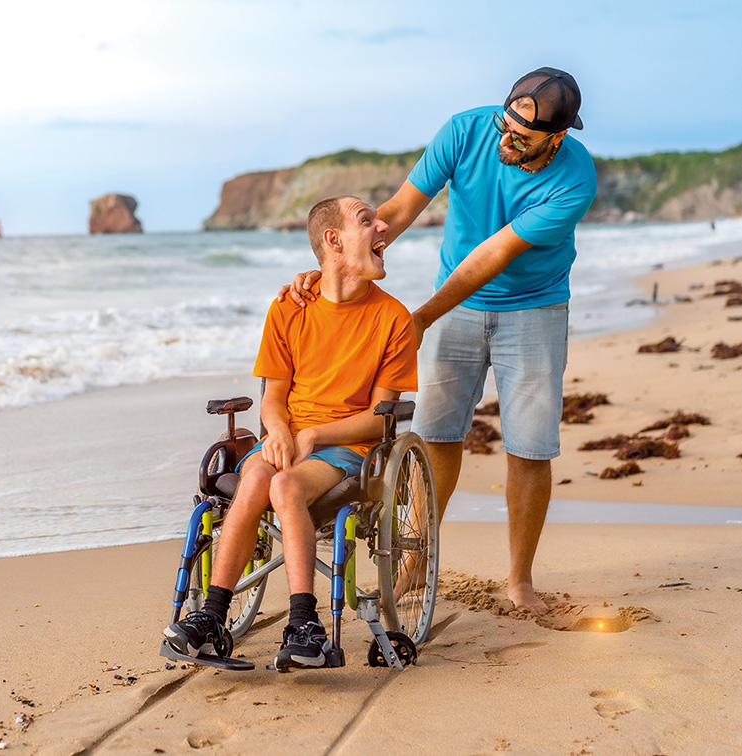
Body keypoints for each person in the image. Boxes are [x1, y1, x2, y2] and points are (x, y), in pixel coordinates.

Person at [283, 68, 597, 614]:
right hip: (457, 306)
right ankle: (411, 565)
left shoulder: (575, 180)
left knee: (528, 447)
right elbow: (398, 211)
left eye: (523, 137)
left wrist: (420, 317)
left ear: (557, 137)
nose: (506, 139)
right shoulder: (463, 131)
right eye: (506, 124)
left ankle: (519, 580)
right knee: (434, 437)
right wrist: (335, 269)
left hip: (534, 309)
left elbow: (492, 257)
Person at [164, 196, 417, 670]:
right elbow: (273, 398)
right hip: (289, 437)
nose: (383, 225)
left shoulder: (393, 319)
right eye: (367, 220)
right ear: (333, 240)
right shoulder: (289, 307)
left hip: (347, 446)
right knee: (259, 478)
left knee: (281, 483)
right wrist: (278, 430)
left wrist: (314, 437)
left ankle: (305, 623)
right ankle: (213, 616)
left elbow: (379, 418)